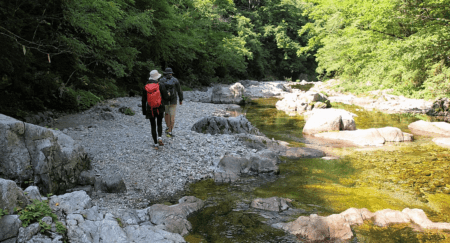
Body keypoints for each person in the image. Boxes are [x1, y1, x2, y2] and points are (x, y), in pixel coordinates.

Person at [142, 70, 169, 150]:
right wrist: (168, 95)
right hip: (159, 108)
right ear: (157, 77)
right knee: (159, 123)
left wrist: (144, 111)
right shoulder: (160, 85)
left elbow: (143, 100)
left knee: (153, 125)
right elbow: (166, 97)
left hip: (150, 109)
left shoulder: (145, 86)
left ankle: (155, 144)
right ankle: (160, 137)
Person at [159, 67, 183, 137]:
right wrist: (181, 99)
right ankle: (169, 132)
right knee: (172, 117)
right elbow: (179, 90)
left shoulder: (161, 80)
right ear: (171, 73)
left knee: (166, 114)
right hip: (173, 100)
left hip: (164, 100)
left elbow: (159, 91)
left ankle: (168, 127)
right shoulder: (175, 80)